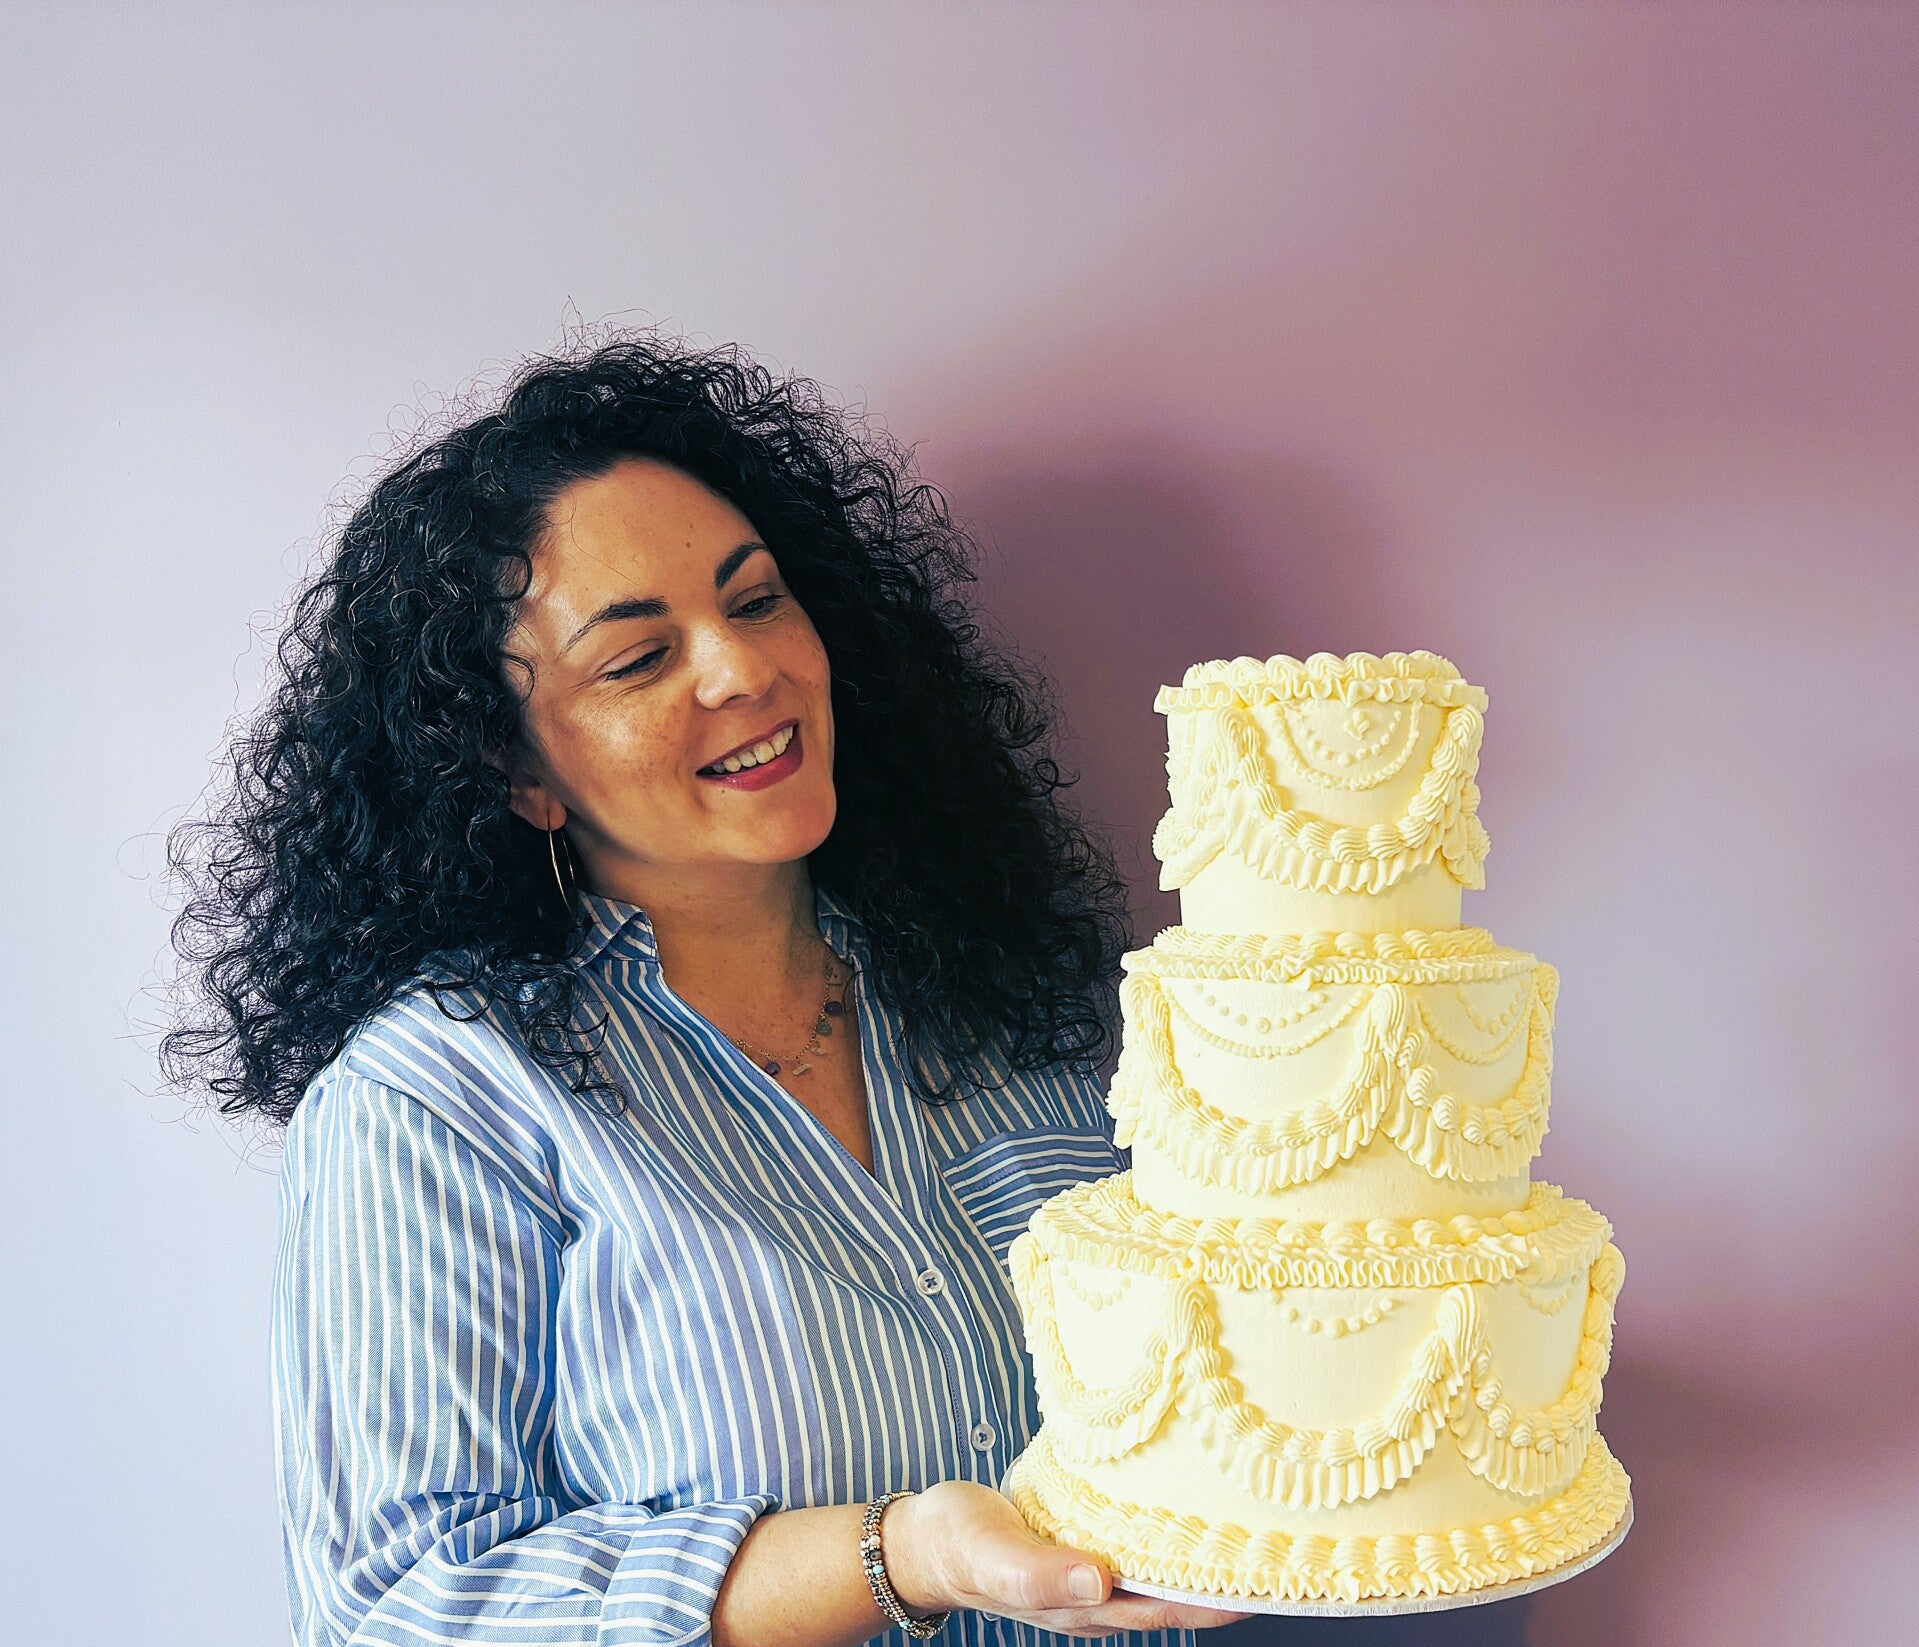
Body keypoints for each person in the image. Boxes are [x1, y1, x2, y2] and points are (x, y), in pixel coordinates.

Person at [160, 331, 1253, 1646]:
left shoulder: (1016, 985)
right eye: (636, 660)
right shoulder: (441, 1093)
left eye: (755, 600)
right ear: (519, 774)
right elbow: (397, 1606)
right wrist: (895, 1559)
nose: (743, 671)